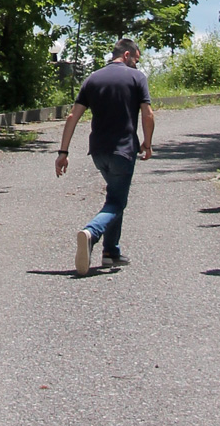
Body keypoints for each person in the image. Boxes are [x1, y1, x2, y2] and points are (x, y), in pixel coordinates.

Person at [56, 38, 155, 275]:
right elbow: (148, 113)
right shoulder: (137, 77)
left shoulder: (92, 78)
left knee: (114, 195)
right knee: (117, 202)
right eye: (136, 60)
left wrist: (63, 152)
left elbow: (72, 117)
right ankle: (92, 232)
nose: (136, 64)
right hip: (123, 150)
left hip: (98, 152)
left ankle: (111, 252)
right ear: (128, 54)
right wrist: (148, 143)